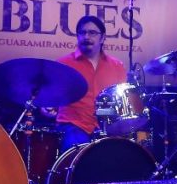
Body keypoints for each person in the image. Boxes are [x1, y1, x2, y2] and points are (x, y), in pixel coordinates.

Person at [51, 15, 127, 150]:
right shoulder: (63, 64)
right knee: (77, 154)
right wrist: (47, 106)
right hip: (73, 125)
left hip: (107, 128)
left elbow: (122, 103)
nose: (86, 37)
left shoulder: (117, 66)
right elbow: (50, 98)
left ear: (102, 38)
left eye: (92, 33)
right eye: (82, 32)